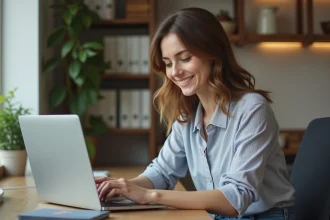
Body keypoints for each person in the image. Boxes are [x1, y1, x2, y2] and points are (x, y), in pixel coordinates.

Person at [95, 7, 295, 219]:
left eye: (185, 58)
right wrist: (119, 187)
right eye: (168, 63)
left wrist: (150, 195)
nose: (175, 72)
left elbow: (235, 198)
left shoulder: (252, 109)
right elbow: (162, 172)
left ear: (213, 53)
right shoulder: (189, 115)